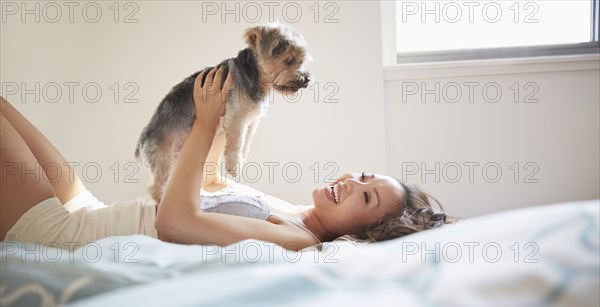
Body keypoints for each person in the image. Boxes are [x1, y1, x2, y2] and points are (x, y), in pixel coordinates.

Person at [0, 67, 450, 252]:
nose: (353, 181)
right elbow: (210, 181)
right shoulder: (296, 212)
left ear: (362, 231)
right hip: (88, 210)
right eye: (365, 176)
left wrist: (203, 128)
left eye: (366, 196)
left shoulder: (297, 240)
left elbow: (175, 222)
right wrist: (224, 114)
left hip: (62, 235)